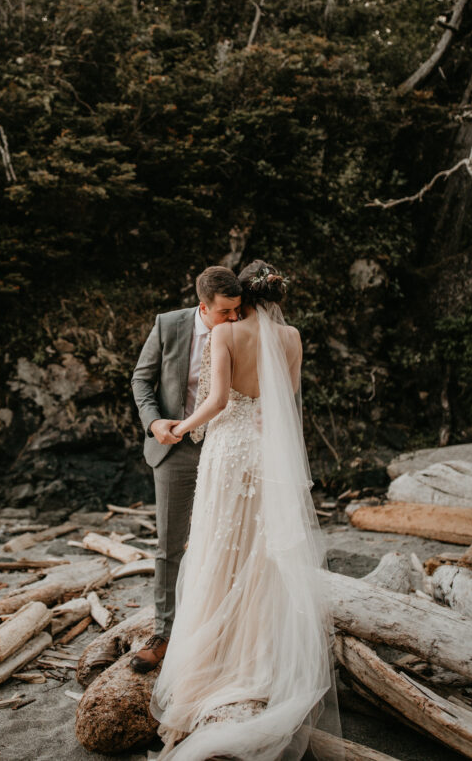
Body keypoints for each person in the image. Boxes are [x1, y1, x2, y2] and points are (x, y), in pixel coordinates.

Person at [145, 259, 343, 761]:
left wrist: (181, 427)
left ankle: (213, 660)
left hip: (228, 451)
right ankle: (260, 656)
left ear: (243, 298)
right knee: (262, 552)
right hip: (265, 451)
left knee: (218, 548)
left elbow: (214, 403)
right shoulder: (293, 338)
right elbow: (287, 396)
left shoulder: (225, 338)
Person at [130, 266, 242, 672]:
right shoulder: (168, 325)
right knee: (169, 545)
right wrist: (155, 422)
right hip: (174, 448)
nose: (233, 318)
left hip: (226, 446)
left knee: (225, 543)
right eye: (225, 312)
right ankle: (164, 632)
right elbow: (141, 380)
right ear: (202, 307)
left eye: (237, 310)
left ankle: (221, 634)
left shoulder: (244, 327)